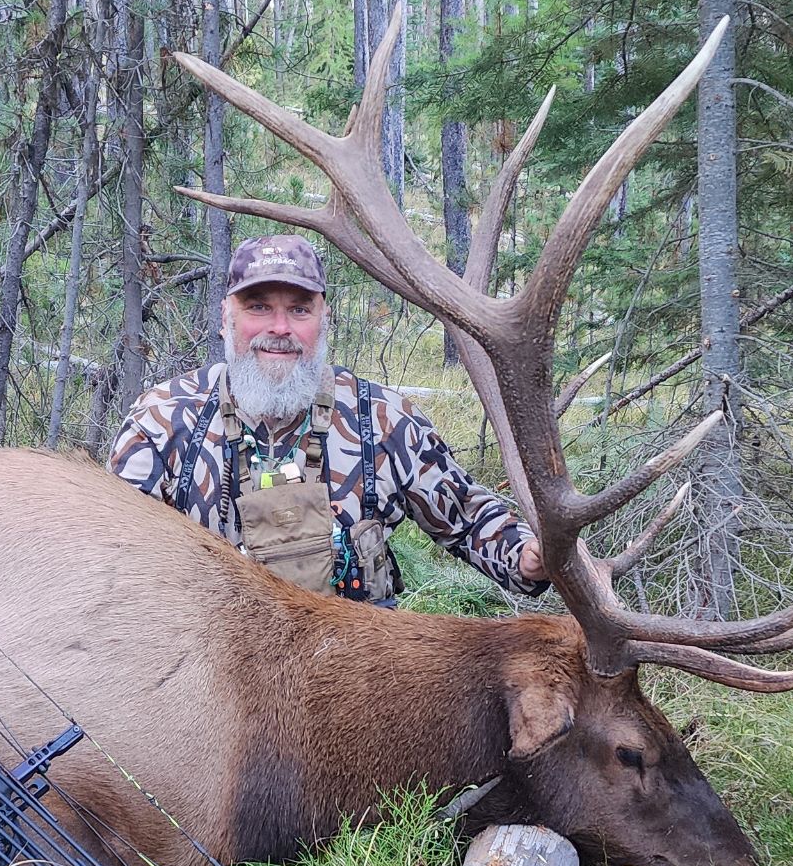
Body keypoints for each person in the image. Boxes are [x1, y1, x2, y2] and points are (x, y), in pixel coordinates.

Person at [109, 234, 549, 604]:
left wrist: (527, 557)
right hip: (207, 679)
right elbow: (111, 558)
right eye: (258, 307)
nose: (279, 328)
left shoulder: (383, 420)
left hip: (354, 683)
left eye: (299, 309)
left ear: (324, 320)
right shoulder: (162, 420)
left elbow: (469, 519)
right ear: (226, 318)